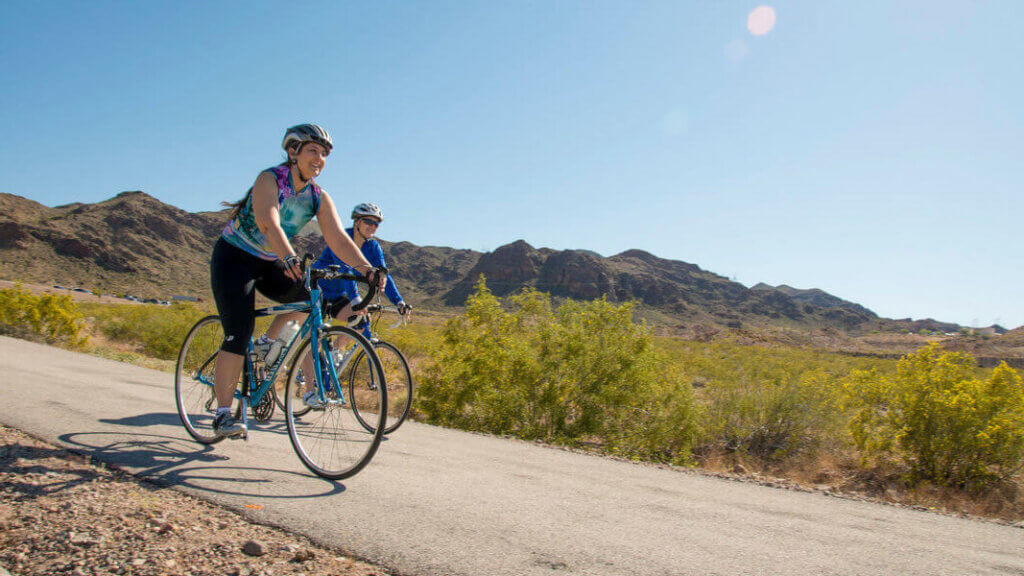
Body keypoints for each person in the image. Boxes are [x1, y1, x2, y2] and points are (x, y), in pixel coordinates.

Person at [210, 123, 382, 439]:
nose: (319, 158)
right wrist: (289, 256)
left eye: (324, 154)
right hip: (234, 258)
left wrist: (367, 269)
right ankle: (223, 414)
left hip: (268, 261)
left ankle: (267, 347)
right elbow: (268, 221)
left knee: (309, 299)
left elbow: (338, 240)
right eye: (313, 151)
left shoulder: (317, 196)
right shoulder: (270, 179)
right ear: (293, 151)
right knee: (238, 331)